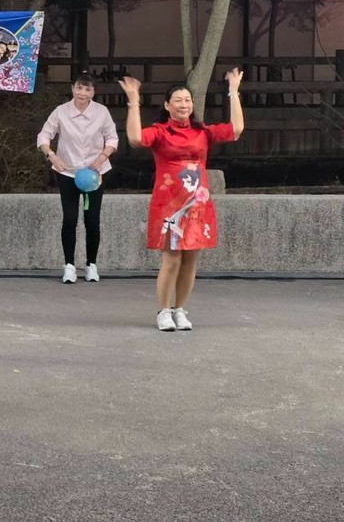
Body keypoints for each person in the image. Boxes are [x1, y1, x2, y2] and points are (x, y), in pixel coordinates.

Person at [119, 70, 244, 332]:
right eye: (178, 100)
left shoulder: (202, 131)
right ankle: (163, 310)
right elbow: (135, 138)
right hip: (169, 204)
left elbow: (236, 130)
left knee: (190, 260)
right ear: (167, 105)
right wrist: (133, 100)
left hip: (197, 204)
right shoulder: (160, 132)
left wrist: (233, 90)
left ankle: (180, 309)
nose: (183, 104)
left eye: (187, 100)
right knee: (172, 258)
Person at [36, 73, 119, 283]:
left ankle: (91, 265)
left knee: (92, 219)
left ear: (93, 92)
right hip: (67, 172)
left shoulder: (102, 112)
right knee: (70, 219)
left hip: (95, 173)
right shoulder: (61, 111)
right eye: (79, 88)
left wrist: (102, 157)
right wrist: (52, 156)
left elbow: (112, 138)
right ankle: (69, 266)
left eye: (88, 89)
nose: (82, 93)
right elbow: (43, 136)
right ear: (72, 88)